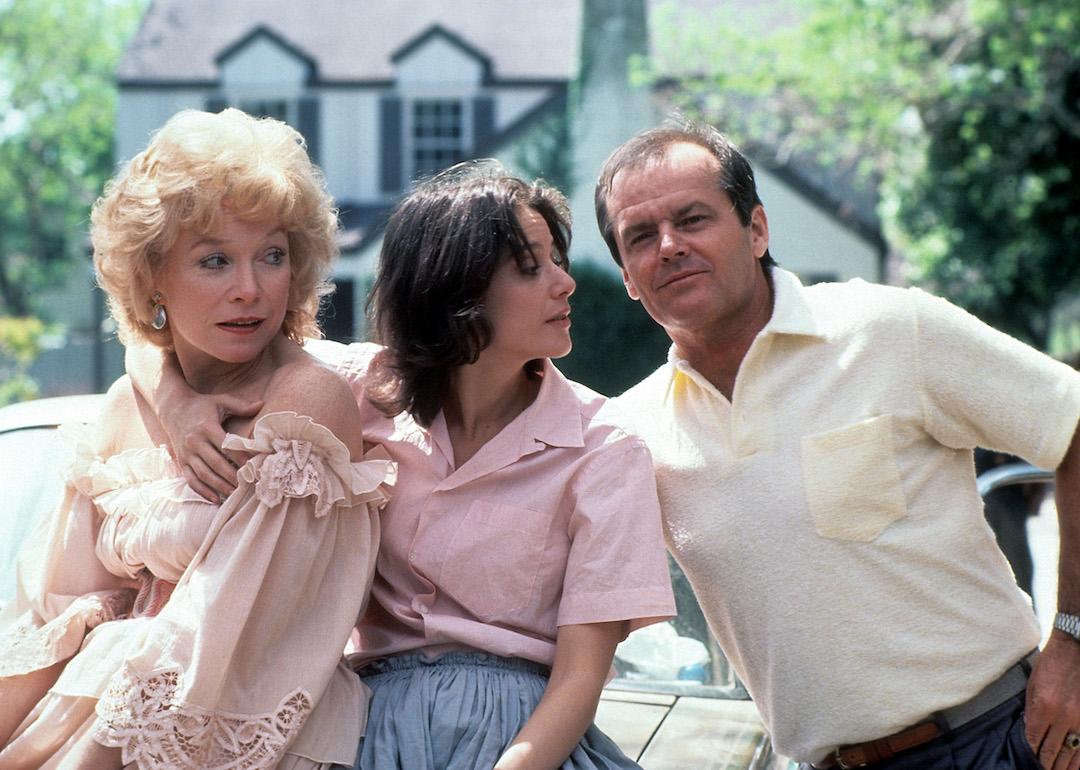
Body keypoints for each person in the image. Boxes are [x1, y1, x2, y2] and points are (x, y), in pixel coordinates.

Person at [125, 161, 676, 770]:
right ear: (455, 288)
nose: (565, 283)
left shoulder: (604, 447)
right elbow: (168, 336)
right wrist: (176, 404)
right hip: (358, 730)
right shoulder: (350, 392)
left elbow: (580, 679)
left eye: (557, 260)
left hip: (527, 740)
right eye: (530, 267)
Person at [591, 118, 1080, 770]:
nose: (670, 246)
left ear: (757, 230)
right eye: (641, 236)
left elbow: (1074, 424)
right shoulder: (631, 434)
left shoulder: (887, 328)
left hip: (1003, 739)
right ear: (627, 276)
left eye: (693, 219)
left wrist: (1073, 641)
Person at [0, 108, 392, 770]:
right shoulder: (128, 403)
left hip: (244, 733)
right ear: (152, 275)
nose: (250, 290)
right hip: (101, 717)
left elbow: (232, 644)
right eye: (215, 261)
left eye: (272, 256)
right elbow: (59, 622)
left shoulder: (306, 404)